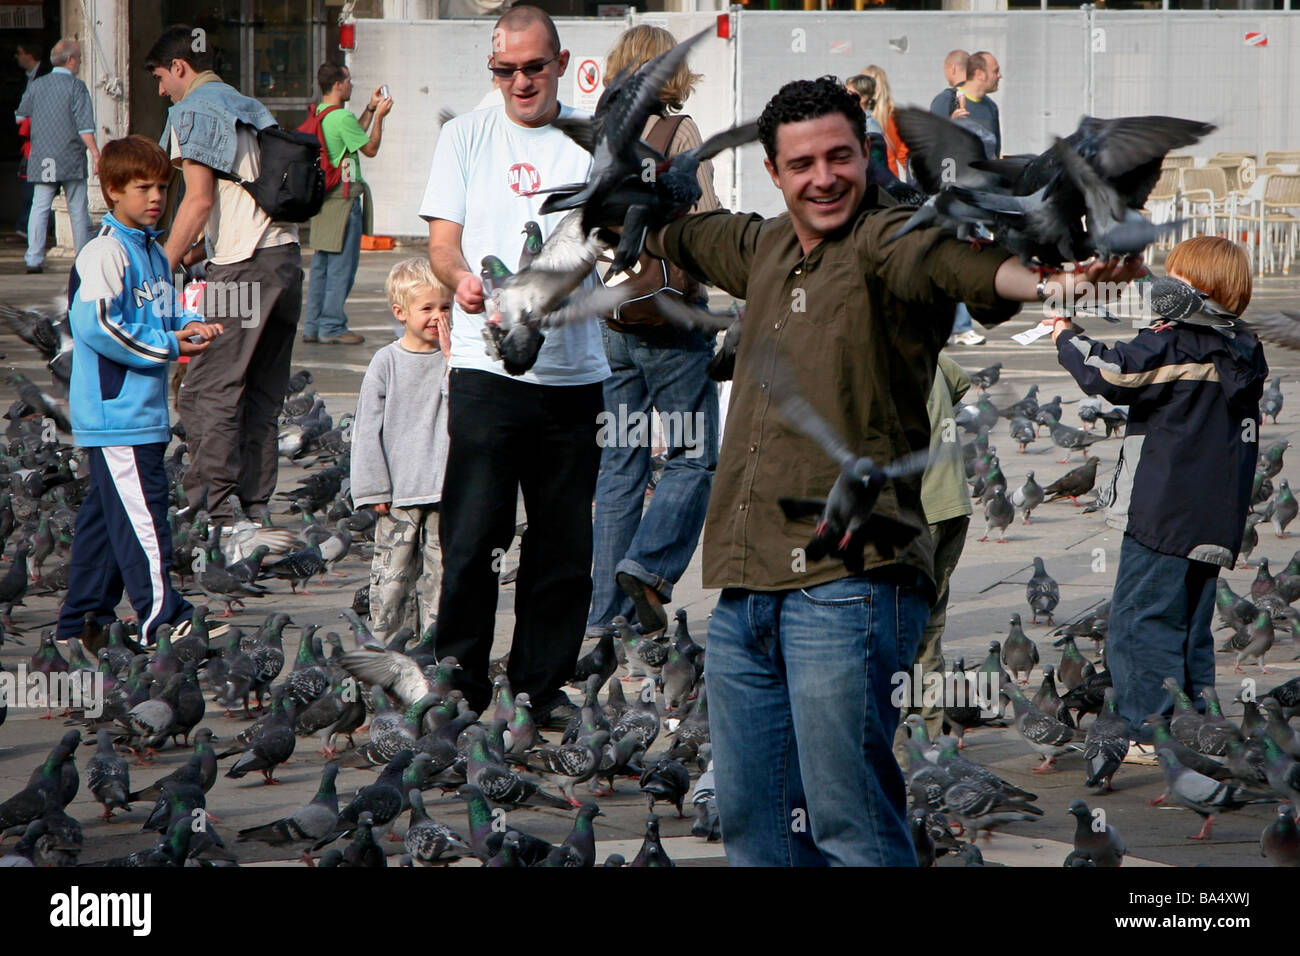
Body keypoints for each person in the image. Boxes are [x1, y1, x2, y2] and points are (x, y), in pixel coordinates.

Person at [645, 75, 1143, 866]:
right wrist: (633, 222)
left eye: (840, 156)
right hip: (744, 591)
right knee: (755, 826)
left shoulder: (891, 239)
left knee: (851, 824)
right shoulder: (764, 245)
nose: (824, 176)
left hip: (849, 586)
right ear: (775, 173)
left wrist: (1051, 280)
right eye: (802, 164)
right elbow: (688, 235)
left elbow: (969, 272)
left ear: (867, 158)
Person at [421, 6, 608, 724]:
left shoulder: (592, 143)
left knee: (563, 545)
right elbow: (443, 242)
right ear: (491, 70)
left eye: (534, 66)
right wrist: (462, 279)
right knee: (471, 535)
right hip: (484, 368)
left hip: (572, 376)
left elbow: (611, 241)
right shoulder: (465, 135)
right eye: (506, 69)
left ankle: (542, 685)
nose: (521, 81)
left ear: (561, 63)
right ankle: (460, 680)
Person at [1050, 237, 1265, 736]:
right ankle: (1200, 728)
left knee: (1139, 622)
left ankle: (1151, 729)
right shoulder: (1241, 343)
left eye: (1178, 278)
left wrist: (1065, 334)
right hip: (1217, 516)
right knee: (1191, 625)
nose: (1166, 286)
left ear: (1199, 288)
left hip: (1163, 514)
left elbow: (1109, 372)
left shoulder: (1177, 341)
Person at [56, 135, 224, 647]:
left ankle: (81, 625)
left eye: (163, 187)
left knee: (107, 523)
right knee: (147, 520)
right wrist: (172, 344)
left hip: (139, 414)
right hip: (118, 415)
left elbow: (167, 309)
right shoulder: (104, 252)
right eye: (142, 187)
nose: (156, 197)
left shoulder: (151, 250)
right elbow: (100, 326)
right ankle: (164, 620)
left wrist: (191, 324)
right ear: (111, 190)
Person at [587, 24, 720, 639]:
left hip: (612, 316)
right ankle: (648, 566)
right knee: (693, 455)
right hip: (668, 317)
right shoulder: (677, 129)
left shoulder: (602, 130)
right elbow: (706, 219)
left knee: (621, 463)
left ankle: (604, 618)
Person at [146, 25, 303, 533]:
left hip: (244, 269)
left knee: (207, 390)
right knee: (260, 390)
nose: (160, 90)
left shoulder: (190, 110)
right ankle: (254, 512)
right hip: (284, 262)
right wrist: (195, 251)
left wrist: (160, 262)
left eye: (159, 77)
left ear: (179, 68)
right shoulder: (249, 105)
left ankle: (210, 519)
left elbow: (199, 200)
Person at [351, 258, 452, 642]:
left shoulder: (456, 361)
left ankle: (434, 656)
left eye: (444, 307)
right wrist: (373, 488)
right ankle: (383, 655)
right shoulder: (386, 362)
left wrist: (451, 359)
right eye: (427, 308)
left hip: (446, 493)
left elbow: (466, 411)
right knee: (391, 583)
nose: (437, 316)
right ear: (400, 312)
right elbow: (366, 429)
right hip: (398, 496)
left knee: (441, 583)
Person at [894, 352, 972, 759]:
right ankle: (931, 739)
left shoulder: (875, 350)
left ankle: (898, 747)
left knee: (890, 630)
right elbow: (960, 382)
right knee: (929, 627)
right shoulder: (923, 341)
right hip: (951, 503)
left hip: (917, 512)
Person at [301, 61, 393, 346]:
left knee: (321, 267)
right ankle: (332, 326)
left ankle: (313, 325)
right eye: (349, 80)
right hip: (343, 199)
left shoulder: (322, 114)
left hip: (324, 201)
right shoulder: (342, 118)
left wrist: (368, 108)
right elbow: (370, 147)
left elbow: (351, 139)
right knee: (342, 267)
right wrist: (380, 116)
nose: (352, 84)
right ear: (339, 85)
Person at [16, 38, 97, 274]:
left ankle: (33, 259)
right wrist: (95, 152)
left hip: (42, 156)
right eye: (79, 57)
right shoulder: (77, 87)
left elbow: (21, 116)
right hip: (70, 155)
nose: (80, 62)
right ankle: (82, 258)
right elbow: (85, 127)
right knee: (78, 208)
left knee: (40, 206)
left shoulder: (37, 85)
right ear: (70, 59)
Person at [928, 51, 985, 347]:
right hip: (952, 192)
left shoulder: (984, 105)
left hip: (965, 191)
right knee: (955, 253)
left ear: (950, 68)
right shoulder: (947, 100)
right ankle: (958, 325)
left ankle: (959, 324)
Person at [13, 41, 51, 241]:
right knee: (39, 194)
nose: (16, 57)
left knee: (40, 195)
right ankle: (31, 239)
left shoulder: (45, 77)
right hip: (34, 146)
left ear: (30, 54)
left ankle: (34, 237)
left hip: (44, 148)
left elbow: (24, 113)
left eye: (19, 52)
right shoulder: (27, 79)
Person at [933, 50, 1002, 159]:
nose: (1000, 76)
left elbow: (995, 153)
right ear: (980, 74)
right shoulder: (946, 100)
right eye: (995, 71)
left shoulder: (991, 107)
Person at [858, 65, 908, 179]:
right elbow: (904, 156)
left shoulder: (856, 114)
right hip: (889, 179)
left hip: (864, 178)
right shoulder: (893, 114)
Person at [927, 48, 967, 117]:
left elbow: (934, 127)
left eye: (945, 68)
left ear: (953, 69)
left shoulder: (945, 99)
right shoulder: (987, 103)